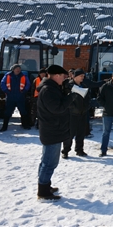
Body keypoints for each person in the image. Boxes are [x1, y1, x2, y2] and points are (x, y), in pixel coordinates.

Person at [36, 64, 74, 201]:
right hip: (52, 130)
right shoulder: (48, 90)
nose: (64, 79)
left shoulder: (52, 88)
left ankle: (45, 185)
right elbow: (57, 108)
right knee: (50, 162)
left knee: (47, 161)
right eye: (63, 77)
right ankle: (43, 191)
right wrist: (70, 97)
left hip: (52, 129)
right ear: (56, 76)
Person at [61, 69, 104, 158]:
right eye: (81, 76)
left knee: (81, 133)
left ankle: (79, 150)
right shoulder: (68, 85)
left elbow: (88, 95)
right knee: (70, 134)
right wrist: (72, 108)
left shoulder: (84, 84)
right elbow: (65, 99)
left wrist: (87, 106)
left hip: (83, 113)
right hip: (72, 114)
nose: (83, 78)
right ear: (75, 77)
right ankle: (65, 151)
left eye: (83, 76)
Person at [0, 64, 31, 131]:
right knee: (7, 112)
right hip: (10, 97)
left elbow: (27, 84)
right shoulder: (8, 75)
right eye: (16, 68)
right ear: (13, 69)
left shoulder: (24, 76)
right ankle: (4, 126)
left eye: (19, 69)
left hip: (20, 97)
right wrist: (6, 91)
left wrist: (24, 91)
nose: (18, 70)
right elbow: (3, 83)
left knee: (23, 111)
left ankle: (25, 125)